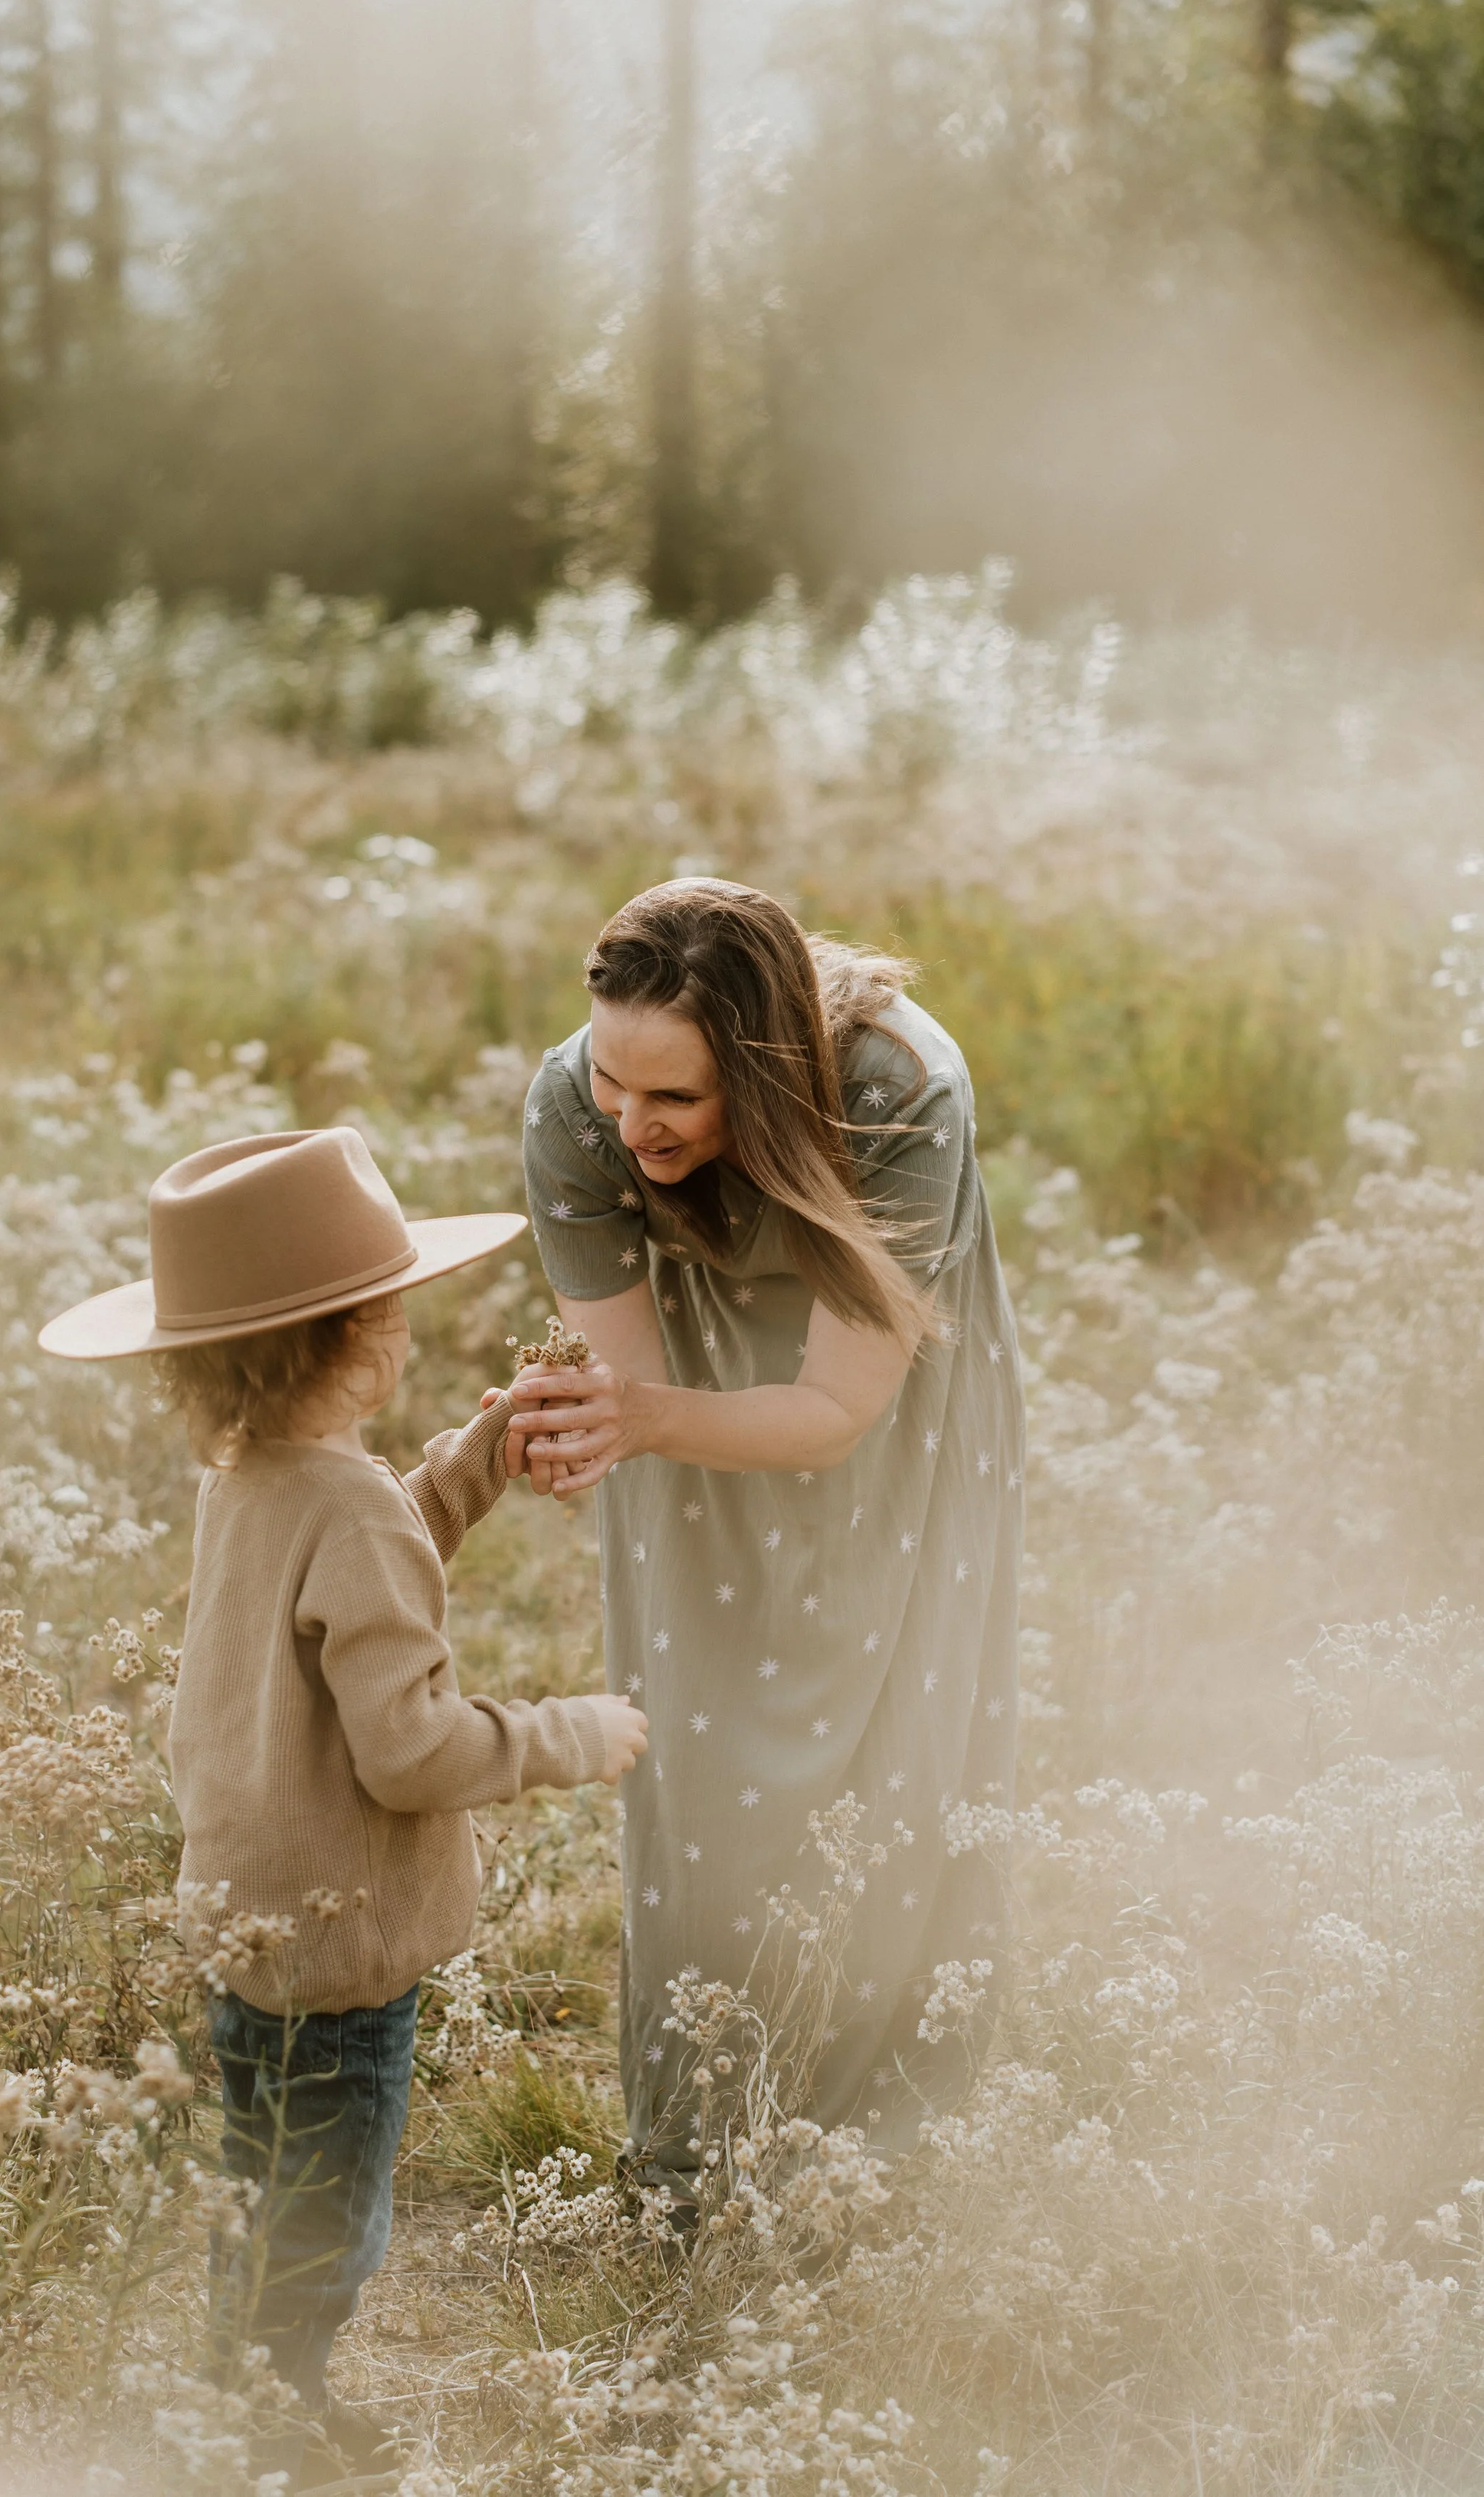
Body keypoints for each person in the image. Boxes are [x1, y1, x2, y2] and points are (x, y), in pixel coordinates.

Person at [40, 1126, 647, 2483]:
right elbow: (411, 1751)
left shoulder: (250, 1478)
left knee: (258, 2186)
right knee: (330, 2216)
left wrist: (477, 1458)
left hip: (244, 1922)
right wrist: (570, 1734)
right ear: (365, 1336)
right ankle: (269, 2427)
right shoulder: (352, 1509)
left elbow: (360, 1558)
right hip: (342, 1948)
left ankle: (243, 2384)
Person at [510, 878, 1021, 2184]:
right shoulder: (577, 1106)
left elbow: (838, 1409)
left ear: (770, 1070)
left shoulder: (902, 1090)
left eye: (674, 1098)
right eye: (615, 1084)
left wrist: (630, 1414)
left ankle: (877, 2148)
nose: (631, 1125)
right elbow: (626, 1396)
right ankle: (706, 2135)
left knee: (897, 1725)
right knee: (700, 1731)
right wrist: (579, 1434)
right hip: (691, 1382)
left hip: (883, 1396)